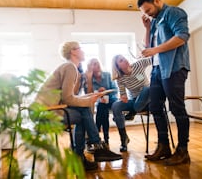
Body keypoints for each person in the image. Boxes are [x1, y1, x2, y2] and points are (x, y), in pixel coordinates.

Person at [33, 41, 122, 171]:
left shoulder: (70, 67)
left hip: (49, 109)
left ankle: (85, 154)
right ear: (73, 51)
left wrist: (90, 97)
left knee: (82, 112)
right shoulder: (70, 67)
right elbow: (68, 98)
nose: (83, 51)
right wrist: (89, 100)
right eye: (80, 48)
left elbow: (69, 97)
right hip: (44, 111)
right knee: (83, 111)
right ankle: (94, 147)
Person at [138, 0, 191, 165]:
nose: (147, 14)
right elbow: (149, 46)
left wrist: (155, 50)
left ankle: (183, 151)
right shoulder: (154, 22)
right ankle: (164, 146)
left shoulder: (174, 13)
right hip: (157, 69)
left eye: (148, 10)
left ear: (157, 1)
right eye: (144, 12)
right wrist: (147, 28)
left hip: (174, 68)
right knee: (154, 107)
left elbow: (182, 37)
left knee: (177, 109)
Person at [111, 54, 152, 152]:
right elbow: (123, 94)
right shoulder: (120, 78)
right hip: (135, 101)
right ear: (118, 67)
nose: (125, 60)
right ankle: (124, 139)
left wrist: (147, 52)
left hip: (148, 100)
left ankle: (132, 113)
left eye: (124, 58)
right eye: (121, 61)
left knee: (147, 88)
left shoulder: (138, 65)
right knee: (116, 106)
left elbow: (153, 59)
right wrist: (123, 97)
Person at [84, 58, 118, 145]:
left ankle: (96, 133)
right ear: (90, 68)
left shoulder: (107, 75)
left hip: (111, 99)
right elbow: (88, 94)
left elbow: (115, 90)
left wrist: (105, 90)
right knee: (102, 108)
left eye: (98, 63)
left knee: (102, 107)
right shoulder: (89, 79)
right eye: (94, 64)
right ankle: (105, 138)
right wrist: (98, 93)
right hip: (101, 102)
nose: (97, 65)